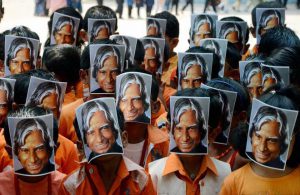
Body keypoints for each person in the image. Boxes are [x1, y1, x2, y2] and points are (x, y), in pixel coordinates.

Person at [149, 89, 231, 194]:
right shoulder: (154, 174)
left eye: (192, 129)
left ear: (212, 134)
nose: (185, 137)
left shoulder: (225, 174)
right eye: (179, 128)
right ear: (169, 130)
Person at [220, 86, 300, 194]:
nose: (262, 148)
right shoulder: (234, 182)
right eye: (258, 136)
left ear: (293, 138)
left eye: (272, 140)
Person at [59, 114, 155, 194]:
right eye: (91, 132)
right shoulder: (70, 187)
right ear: (81, 147)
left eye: (105, 128)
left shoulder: (141, 181)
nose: (100, 139)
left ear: (124, 138)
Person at [0, 107, 66, 195]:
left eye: (39, 149)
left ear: (54, 149)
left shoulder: (66, 187)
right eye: (25, 150)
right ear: (10, 152)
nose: (33, 159)